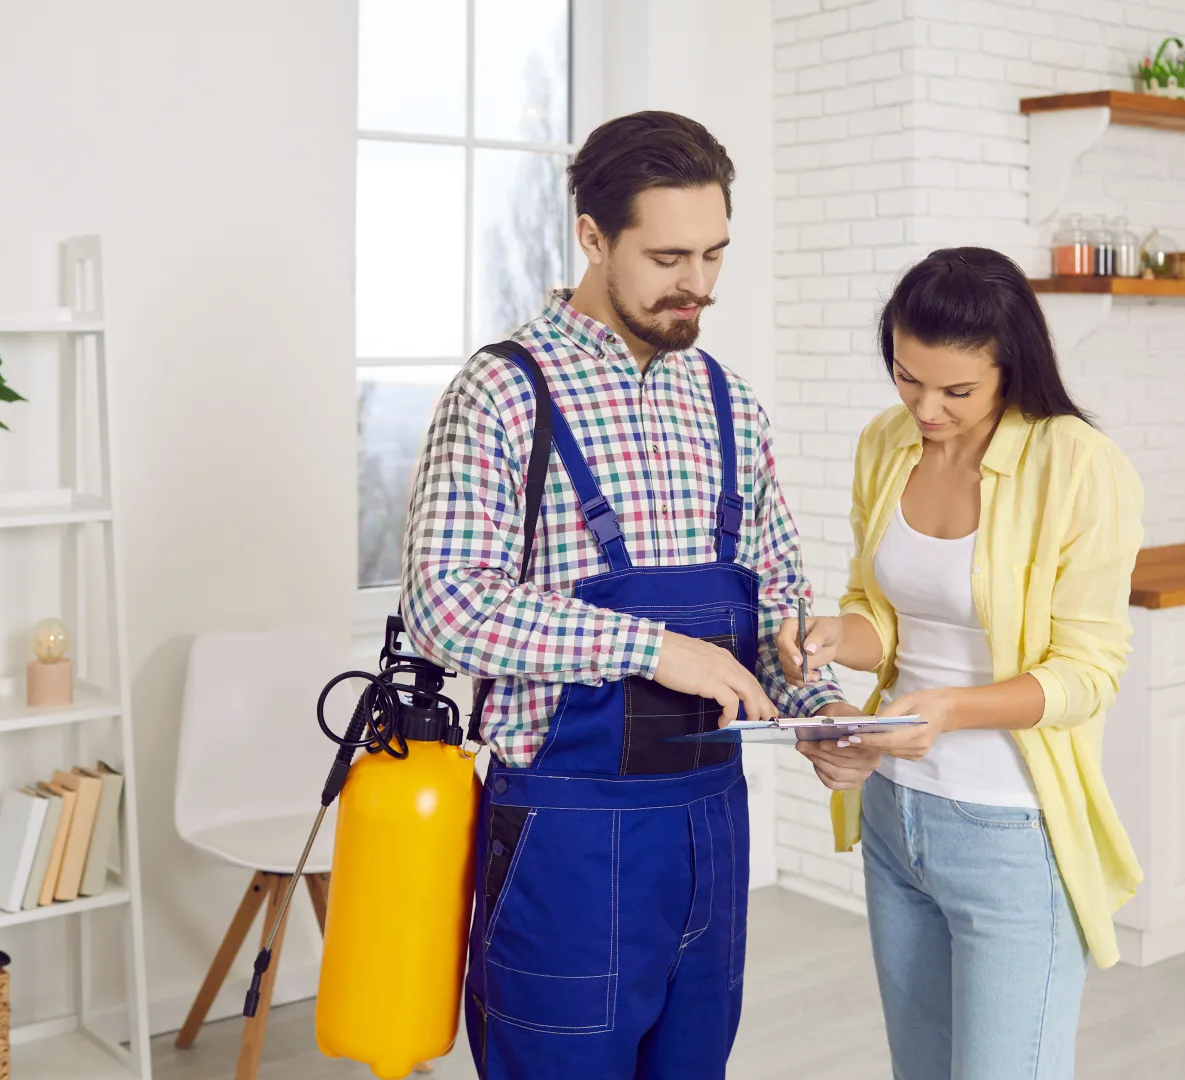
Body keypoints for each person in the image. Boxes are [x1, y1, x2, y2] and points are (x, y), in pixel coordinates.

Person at [399, 110, 858, 1079]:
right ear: (593, 236)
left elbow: (780, 599)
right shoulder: (503, 392)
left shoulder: (729, 402)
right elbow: (446, 602)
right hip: (567, 842)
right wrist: (654, 648)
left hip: (710, 828)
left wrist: (823, 717)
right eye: (668, 256)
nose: (698, 284)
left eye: (716, 254)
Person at [781, 247, 1146, 1079]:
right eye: (909, 379)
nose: (927, 408)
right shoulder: (887, 443)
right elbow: (887, 615)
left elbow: (1088, 671)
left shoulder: (1077, 464)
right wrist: (838, 634)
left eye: (957, 391)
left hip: (1010, 828)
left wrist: (947, 710)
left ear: (1010, 369)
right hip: (895, 814)